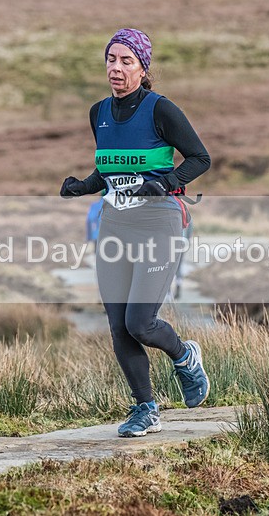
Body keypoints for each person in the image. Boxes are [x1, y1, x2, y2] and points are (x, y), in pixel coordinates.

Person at [59, 28, 211, 437]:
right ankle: (146, 408)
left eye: (126, 61)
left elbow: (200, 158)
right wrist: (83, 186)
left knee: (140, 321)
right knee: (117, 324)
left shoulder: (161, 110)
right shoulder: (99, 113)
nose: (116, 68)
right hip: (115, 225)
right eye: (111, 59)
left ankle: (184, 357)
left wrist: (167, 182)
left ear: (143, 69)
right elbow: (109, 169)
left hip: (159, 221)